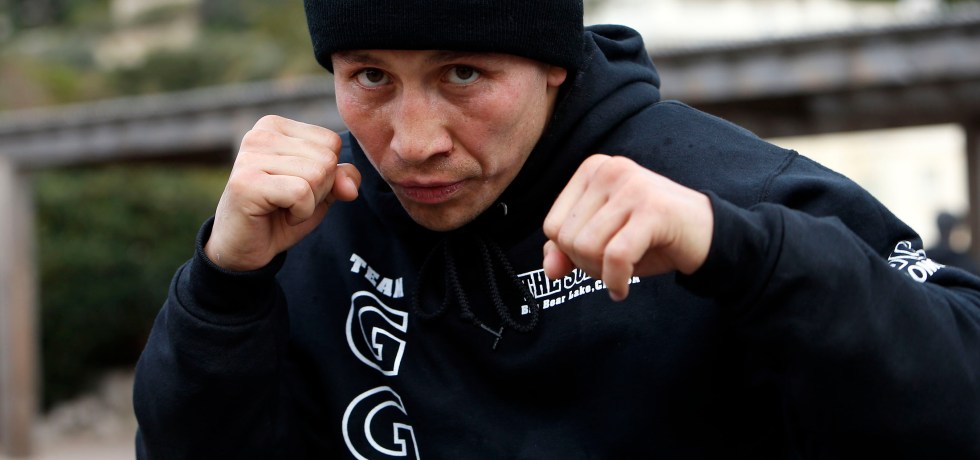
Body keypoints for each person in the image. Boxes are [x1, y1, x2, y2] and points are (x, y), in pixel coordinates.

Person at [133, 1, 980, 458]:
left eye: (464, 73)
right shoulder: (314, 223)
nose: (413, 141)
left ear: (553, 64)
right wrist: (222, 286)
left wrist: (740, 251)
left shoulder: (733, 192)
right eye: (371, 77)